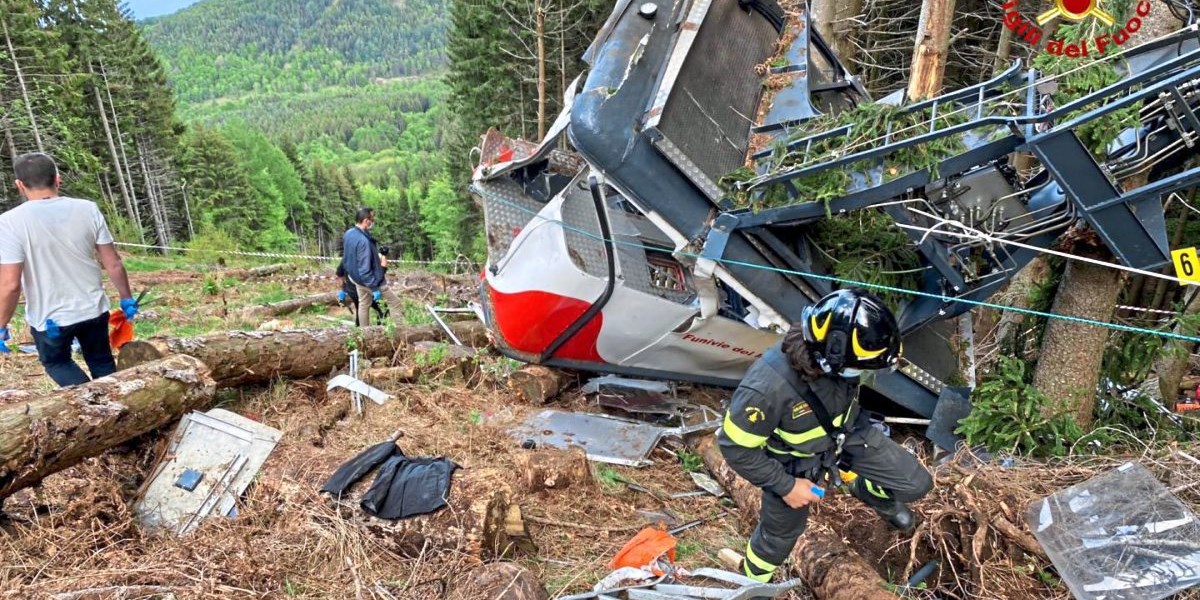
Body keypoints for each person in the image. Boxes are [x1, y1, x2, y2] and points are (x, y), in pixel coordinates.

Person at [719, 289, 933, 583]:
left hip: (846, 435)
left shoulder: (836, 351)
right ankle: (752, 582)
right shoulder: (765, 390)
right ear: (831, 357)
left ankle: (864, 487)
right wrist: (787, 486)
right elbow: (735, 448)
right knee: (779, 538)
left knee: (916, 483)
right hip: (792, 462)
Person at [0, 153, 139, 386]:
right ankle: (115, 403)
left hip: (50, 319)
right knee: (101, 361)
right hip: (93, 308)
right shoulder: (88, 209)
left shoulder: (9, 222)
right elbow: (113, 262)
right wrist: (126, 298)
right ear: (58, 179)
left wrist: (1, 324)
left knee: (58, 363)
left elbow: (11, 284)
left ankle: (92, 403)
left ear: (20, 185)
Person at [341, 207, 402, 327]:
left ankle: (365, 334)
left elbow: (349, 257)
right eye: (372, 219)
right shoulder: (363, 241)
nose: (372, 222)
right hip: (369, 280)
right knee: (395, 303)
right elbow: (364, 268)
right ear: (365, 220)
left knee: (364, 304)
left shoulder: (349, 233)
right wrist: (374, 288)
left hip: (356, 278)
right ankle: (400, 333)